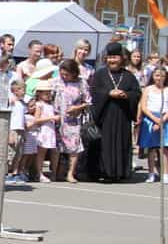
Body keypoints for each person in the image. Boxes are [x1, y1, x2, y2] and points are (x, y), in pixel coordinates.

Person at [89, 42, 142, 182]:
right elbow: (94, 91)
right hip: (105, 117)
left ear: (122, 58)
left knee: (122, 143)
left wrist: (126, 95)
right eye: (110, 57)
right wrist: (108, 93)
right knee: (105, 144)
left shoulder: (129, 76)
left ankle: (121, 172)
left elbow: (136, 93)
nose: (112, 60)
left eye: (115, 57)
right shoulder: (100, 74)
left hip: (123, 116)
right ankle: (105, 172)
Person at [54, 59, 90, 183]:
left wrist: (77, 107)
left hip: (74, 119)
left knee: (74, 147)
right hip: (58, 118)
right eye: (62, 74)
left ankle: (70, 173)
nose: (64, 76)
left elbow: (88, 101)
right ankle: (57, 172)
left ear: (74, 73)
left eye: (67, 74)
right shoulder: (57, 82)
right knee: (58, 146)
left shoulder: (81, 83)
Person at [138, 66, 168, 183]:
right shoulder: (148, 89)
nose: (159, 78)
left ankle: (165, 174)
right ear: (153, 76)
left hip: (165, 119)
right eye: (156, 75)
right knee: (151, 149)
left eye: (162, 76)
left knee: (165, 149)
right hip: (150, 119)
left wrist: (162, 120)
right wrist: (155, 119)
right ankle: (151, 173)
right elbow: (144, 107)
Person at [31, 81, 59, 182]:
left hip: (51, 130)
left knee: (54, 152)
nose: (48, 95)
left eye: (49, 93)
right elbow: (36, 120)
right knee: (41, 152)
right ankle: (39, 173)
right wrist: (51, 117)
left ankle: (54, 173)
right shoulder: (39, 105)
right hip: (43, 130)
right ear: (39, 94)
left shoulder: (51, 104)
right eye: (45, 93)